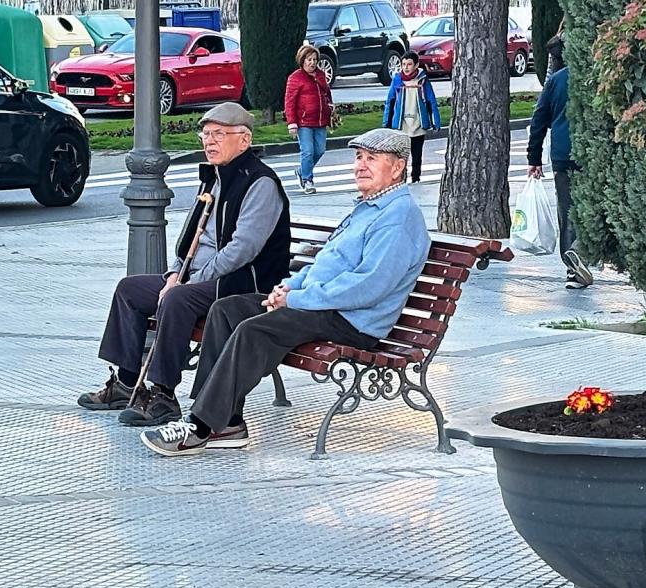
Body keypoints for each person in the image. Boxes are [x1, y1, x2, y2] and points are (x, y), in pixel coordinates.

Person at [139, 128, 431, 456]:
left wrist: (296, 299)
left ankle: (200, 425)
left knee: (255, 329)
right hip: (324, 306)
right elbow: (327, 264)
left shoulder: (397, 218)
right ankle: (227, 421)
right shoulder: (369, 207)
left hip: (352, 321)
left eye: (372, 159)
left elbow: (368, 287)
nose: (360, 165)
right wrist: (290, 286)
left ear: (397, 167)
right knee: (227, 310)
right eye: (359, 157)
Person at [78, 102, 291, 427]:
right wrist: (175, 273)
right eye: (205, 134)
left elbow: (242, 250)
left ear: (244, 140)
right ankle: (126, 383)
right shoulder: (214, 178)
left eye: (219, 134)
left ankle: (163, 394)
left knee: (178, 298)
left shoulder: (259, 183)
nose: (209, 141)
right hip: (198, 278)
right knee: (130, 290)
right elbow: (192, 235)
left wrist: (190, 281)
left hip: (241, 282)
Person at [527, 62, 594, 290]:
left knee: (567, 212)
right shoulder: (596, 74)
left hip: (562, 154)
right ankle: (579, 250)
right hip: (592, 153)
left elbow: (539, 119)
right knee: (596, 207)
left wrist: (534, 158)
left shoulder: (556, 80)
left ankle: (572, 271)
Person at [383, 51, 441, 183]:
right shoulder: (397, 80)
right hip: (401, 124)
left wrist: (435, 122)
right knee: (401, 156)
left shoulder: (422, 80)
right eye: (403, 64)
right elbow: (390, 101)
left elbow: (431, 101)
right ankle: (401, 179)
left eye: (409, 64)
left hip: (418, 124)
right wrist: (387, 123)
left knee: (417, 154)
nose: (406, 67)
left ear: (416, 65)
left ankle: (416, 178)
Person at [285, 44, 334, 194]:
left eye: (314, 60)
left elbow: (326, 93)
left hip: (320, 120)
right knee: (307, 151)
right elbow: (289, 102)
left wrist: (330, 106)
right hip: (303, 122)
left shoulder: (320, 75)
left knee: (320, 150)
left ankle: (302, 171)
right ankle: (307, 180)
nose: (312, 63)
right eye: (309, 60)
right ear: (302, 60)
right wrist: (292, 123)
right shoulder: (295, 78)